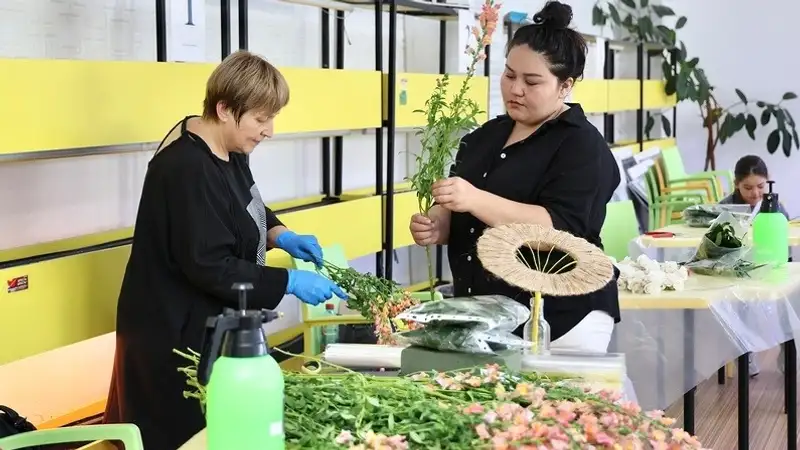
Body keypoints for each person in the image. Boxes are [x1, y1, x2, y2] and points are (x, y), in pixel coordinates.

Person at [103, 50, 347, 450]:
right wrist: (288, 280)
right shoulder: (185, 167)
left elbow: (244, 206)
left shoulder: (229, 150)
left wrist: (280, 233)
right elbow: (210, 265)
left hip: (206, 322)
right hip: (173, 334)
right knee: (186, 437)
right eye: (261, 119)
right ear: (225, 109)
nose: (268, 130)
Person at [409, 0, 621, 354]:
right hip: (485, 317)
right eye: (509, 75)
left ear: (565, 85)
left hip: (560, 319)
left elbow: (560, 227)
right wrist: (437, 223)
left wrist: (474, 198)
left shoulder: (582, 146)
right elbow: (461, 214)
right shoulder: (486, 136)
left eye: (532, 81)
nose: (515, 89)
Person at [718, 154, 791, 377]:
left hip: (772, 268)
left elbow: (785, 239)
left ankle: (788, 355)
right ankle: (745, 353)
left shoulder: (775, 206)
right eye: (747, 188)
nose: (755, 193)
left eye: (760, 186)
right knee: (742, 305)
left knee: (789, 304)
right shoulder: (725, 208)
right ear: (736, 184)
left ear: (768, 181)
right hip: (739, 271)